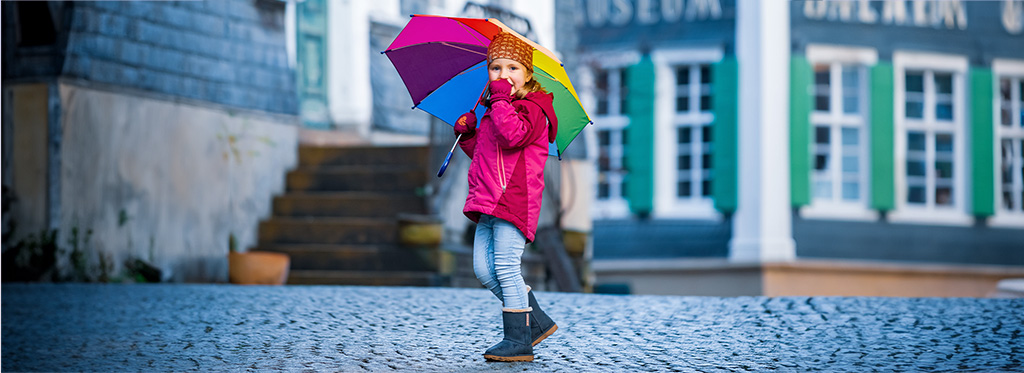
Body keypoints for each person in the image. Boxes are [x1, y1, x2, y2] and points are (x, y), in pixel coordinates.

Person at [453, 32, 559, 362]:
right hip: (488, 200)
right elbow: (488, 156)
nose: (503, 76)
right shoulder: (499, 109)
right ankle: (535, 322)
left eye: (513, 68)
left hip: (514, 200)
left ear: (528, 74)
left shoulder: (532, 109)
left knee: (506, 268)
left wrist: (497, 102)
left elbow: (513, 136)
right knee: (484, 271)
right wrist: (469, 135)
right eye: (495, 68)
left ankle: (518, 341)